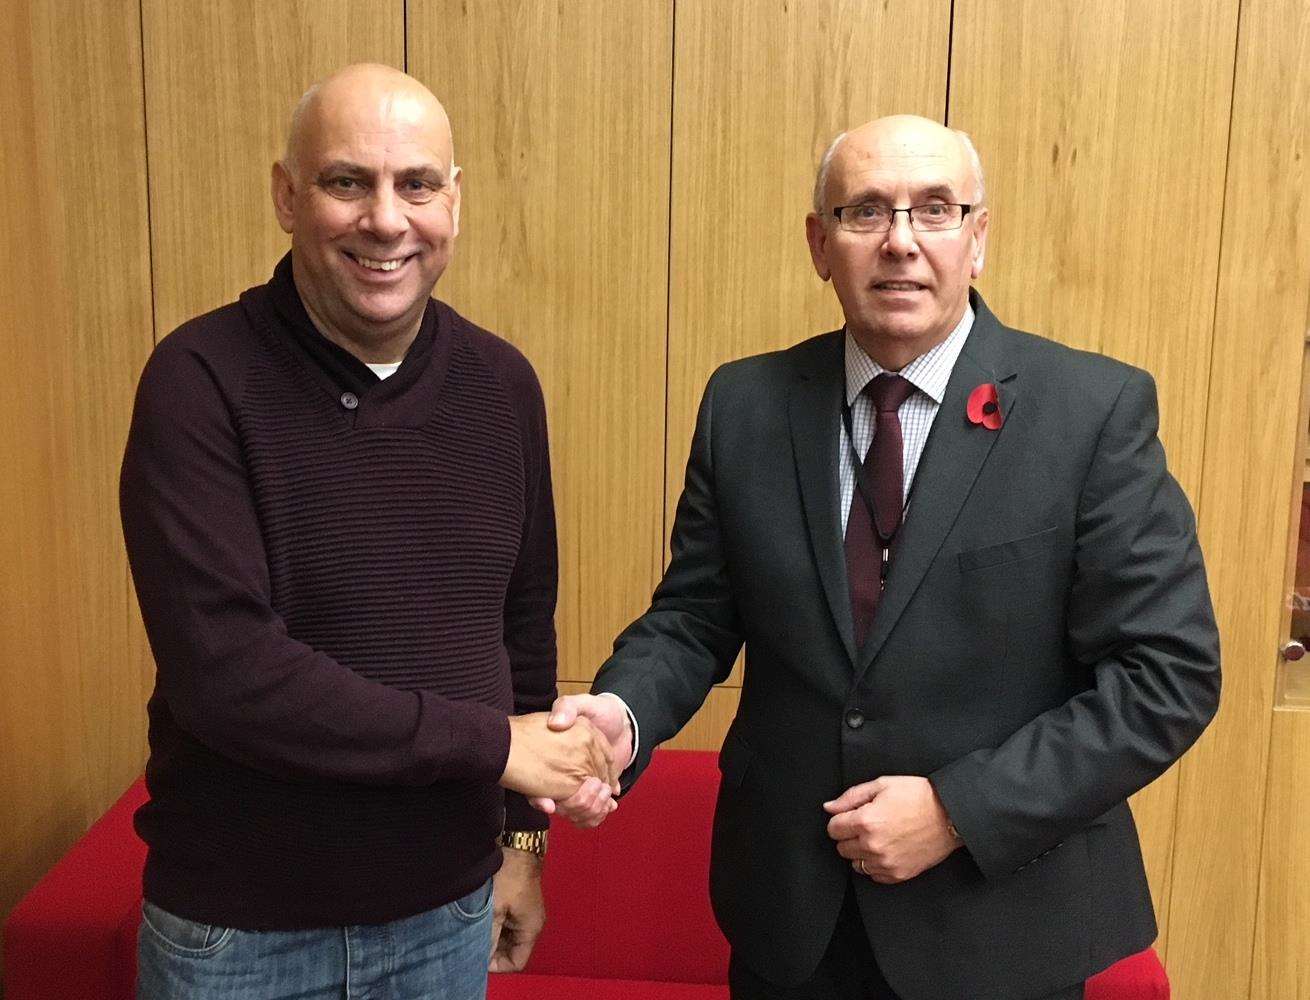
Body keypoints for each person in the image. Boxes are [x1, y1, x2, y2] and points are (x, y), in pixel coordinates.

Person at [540, 115, 1221, 1000]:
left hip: (1001, 926)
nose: (900, 242)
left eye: (935, 209)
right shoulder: (746, 404)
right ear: (820, 244)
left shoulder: (1089, 412)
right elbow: (694, 617)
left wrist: (957, 811)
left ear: (978, 240)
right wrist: (622, 717)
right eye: (866, 212)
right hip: (792, 922)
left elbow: (1169, 675)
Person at [119, 63, 616, 1000]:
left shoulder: (503, 386)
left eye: (416, 184)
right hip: (241, 938)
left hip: (447, 920)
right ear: (286, 195)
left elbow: (519, 633)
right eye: (348, 182)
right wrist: (492, 746)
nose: (387, 221)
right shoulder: (197, 381)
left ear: (454, 204)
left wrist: (521, 842)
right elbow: (229, 676)